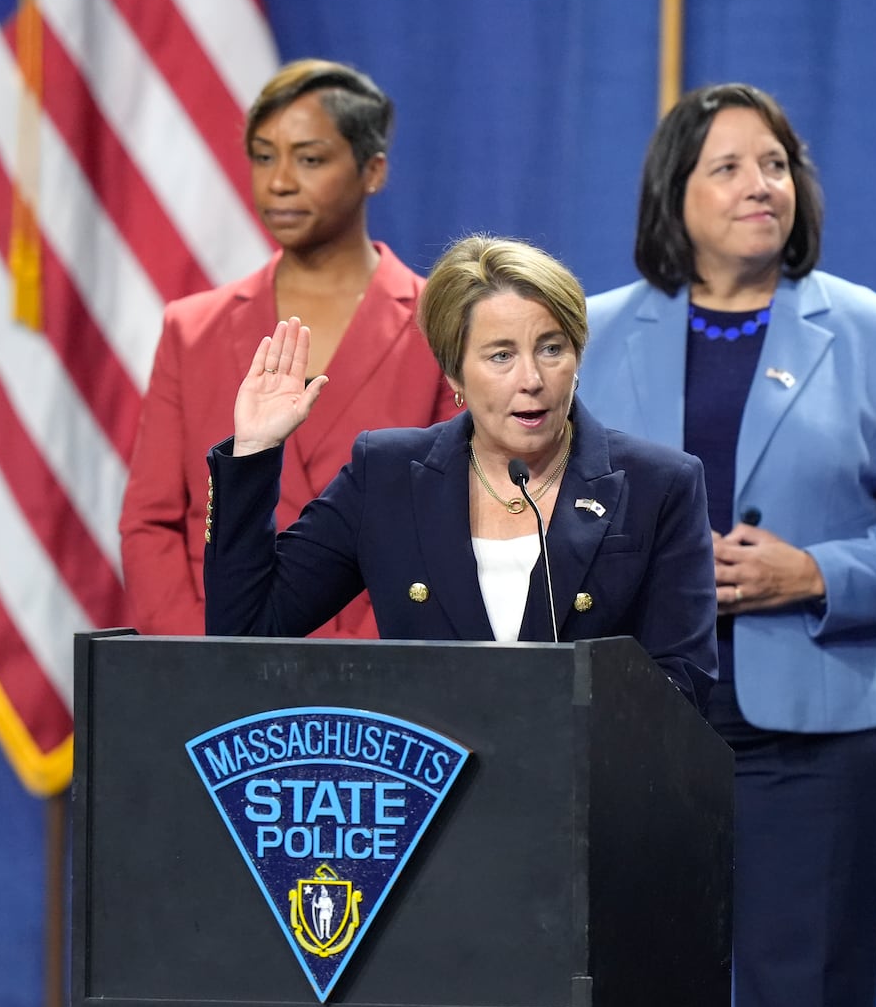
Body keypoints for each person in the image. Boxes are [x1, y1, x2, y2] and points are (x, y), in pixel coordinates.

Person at [577, 83, 876, 1007]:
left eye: (777, 163)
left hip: (818, 729)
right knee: (634, 1004)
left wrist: (813, 573)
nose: (762, 184)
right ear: (674, 194)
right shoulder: (589, 333)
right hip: (639, 721)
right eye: (729, 167)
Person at [203, 235, 717, 706]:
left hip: (587, 793)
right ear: (455, 373)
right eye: (500, 356)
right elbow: (244, 629)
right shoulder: (386, 476)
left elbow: (683, 682)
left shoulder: (659, 485)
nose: (532, 379)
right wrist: (254, 451)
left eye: (551, 349)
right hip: (427, 794)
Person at [119, 58, 451, 637]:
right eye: (264, 156)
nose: (279, 182)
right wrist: (202, 658)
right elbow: (152, 522)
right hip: (216, 673)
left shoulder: (441, 325)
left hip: (380, 687)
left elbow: (450, 524)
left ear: (373, 171)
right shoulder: (191, 329)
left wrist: (361, 669)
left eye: (310, 158)